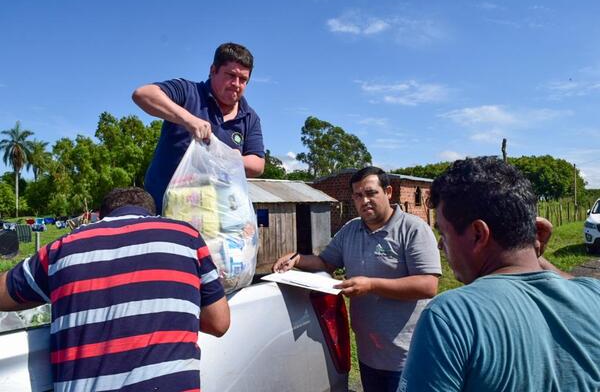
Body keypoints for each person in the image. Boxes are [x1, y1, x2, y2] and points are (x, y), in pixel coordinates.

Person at [399, 157, 600, 391]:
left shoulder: (451, 317)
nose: (440, 246)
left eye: (443, 233)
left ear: (477, 234)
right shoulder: (593, 294)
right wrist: (529, 244)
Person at [0, 187, 230, 391]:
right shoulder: (184, 236)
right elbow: (219, 322)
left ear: (99, 216)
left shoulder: (62, 248)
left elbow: (4, 293)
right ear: (153, 213)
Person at [273, 166, 441, 392]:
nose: (365, 201)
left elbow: (428, 285)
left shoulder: (413, 229)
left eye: (371, 193)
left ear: (388, 192)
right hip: (369, 351)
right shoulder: (351, 229)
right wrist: (297, 259)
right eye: (359, 195)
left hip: (407, 356)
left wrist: (371, 285)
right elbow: (326, 263)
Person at [133, 42, 265, 213]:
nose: (236, 84)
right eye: (231, 75)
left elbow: (258, 165)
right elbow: (143, 94)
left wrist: (228, 156)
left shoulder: (249, 117)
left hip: (215, 218)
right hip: (165, 210)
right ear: (213, 70)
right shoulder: (189, 92)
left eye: (243, 80)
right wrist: (189, 120)